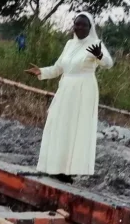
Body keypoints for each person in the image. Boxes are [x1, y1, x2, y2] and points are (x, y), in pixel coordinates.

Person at [25, 13, 112, 184]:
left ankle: (68, 171)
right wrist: (41, 72)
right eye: (76, 24)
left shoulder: (95, 44)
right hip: (66, 89)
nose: (79, 28)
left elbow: (108, 63)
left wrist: (100, 55)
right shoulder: (69, 44)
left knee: (75, 128)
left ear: (90, 27)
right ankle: (55, 166)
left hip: (83, 90)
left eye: (83, 25)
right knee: (59, 124)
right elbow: (59, 68)